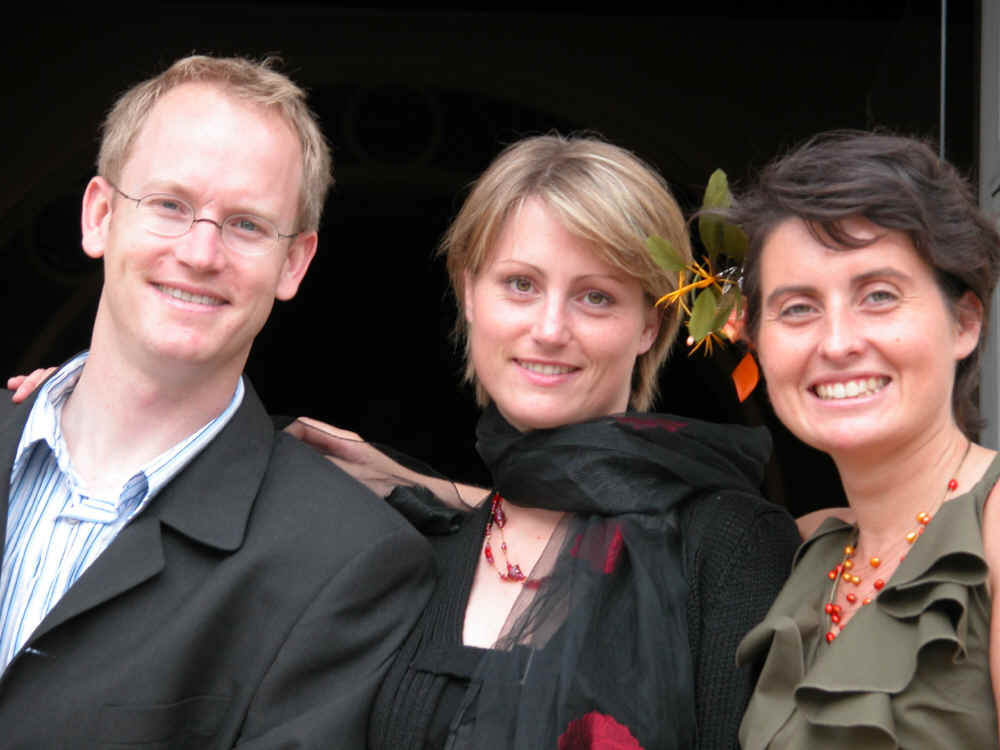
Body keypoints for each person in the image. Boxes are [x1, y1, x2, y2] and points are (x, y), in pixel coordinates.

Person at [288, 134, 801, 749]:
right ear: (469, 293)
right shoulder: (408, 544)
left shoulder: (729, 545)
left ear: (650, 323)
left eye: (596, 296)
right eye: (521, 284)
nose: (551, 328)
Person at [0, 55, 432, 747]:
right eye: (170, 205)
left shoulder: (346, 562)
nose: (201, 253)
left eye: (247, 225)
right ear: (100, 216)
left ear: (294, 263)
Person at [727, 131, 1000, 748]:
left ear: (963, 323)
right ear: (757, 342)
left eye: (878, 296)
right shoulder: (804, 548)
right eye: (798, 308)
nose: (838, 342)